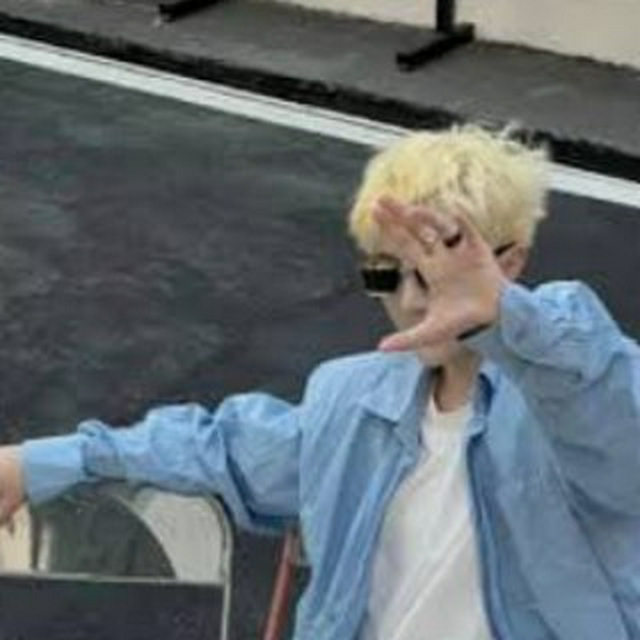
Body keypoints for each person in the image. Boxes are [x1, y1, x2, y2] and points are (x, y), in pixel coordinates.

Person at [1, 125, 640, 640]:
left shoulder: (571, 397)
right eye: (386, 275)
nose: (412, 301)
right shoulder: (353, 400)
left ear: (512, 261)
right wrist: (37, 463)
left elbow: (605, 400)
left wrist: (507, 315)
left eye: (435, 274)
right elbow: (222, 448)